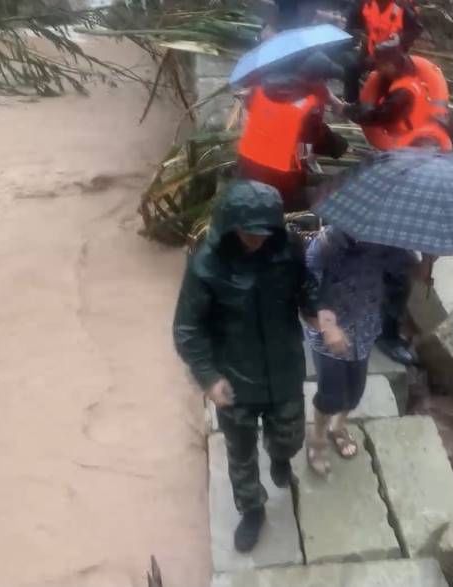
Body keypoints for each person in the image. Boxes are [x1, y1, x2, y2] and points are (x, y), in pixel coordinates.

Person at [173, 179, 348, 553]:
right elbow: (188, 329)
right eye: (249, 232)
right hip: (233, 375)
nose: (257, 239)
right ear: (231, 224)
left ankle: (281, 456)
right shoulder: (206, 264)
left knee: (289, 437)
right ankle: (252, 509)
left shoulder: (289, 249)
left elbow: (308, 291)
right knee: (240, 452)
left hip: (283, 368)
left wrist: (323, 318)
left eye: (265, 231)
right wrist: (207, 376)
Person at [302, 227, 417, 474]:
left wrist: (424, 260)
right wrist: (327, 324)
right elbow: (307, 276)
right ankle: (318, 437)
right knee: (331, 394)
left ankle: (338, 427)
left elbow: (400, 270)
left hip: (364, 326)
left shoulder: (391, 238)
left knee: (354, 393)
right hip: (330, 329)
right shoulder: (334, 239)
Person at [237, 52, 349, 213]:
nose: (327, 84)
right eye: (326, 79)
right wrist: (340, 146)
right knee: (321, 200)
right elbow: (312, 142)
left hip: (246, 168)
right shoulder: (306, 106)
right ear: (317, 80)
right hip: (278, 179)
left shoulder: (262, 89)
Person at [343, 0, 423, 103]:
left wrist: (399, 39)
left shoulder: (402, 7)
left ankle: (381, 109)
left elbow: (416, 30)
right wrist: (360, 34)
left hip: (392, 59)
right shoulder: (366, 3)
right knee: (351, 69)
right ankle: (351, 106)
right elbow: (352, 24)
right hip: (369, 52)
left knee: (385, 84)